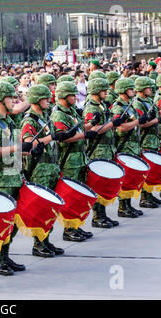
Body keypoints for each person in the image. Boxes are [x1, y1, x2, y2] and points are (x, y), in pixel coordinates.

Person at [21, 84, 71, 257]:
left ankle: (46, 240)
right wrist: (51, 137)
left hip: (51, 167)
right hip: (39, 168)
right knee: (41, 208)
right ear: (35, 100)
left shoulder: (44, 117)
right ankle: (38, 243)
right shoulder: (30, 120)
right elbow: (28, 143)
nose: (48, 101)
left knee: (49, 207)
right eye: (45, 98)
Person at [0, 81, 29, 276]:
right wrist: (16, 149)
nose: (15, 100)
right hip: (1, 176)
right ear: (1, 99)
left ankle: (5, 255)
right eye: (11, 97)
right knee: (1, 220)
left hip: (14, 173)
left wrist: (26, 151)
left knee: (14, 220)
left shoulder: (8, 120)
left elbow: (14, 147)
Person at [50, 81, 98, 241]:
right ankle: (69, 230)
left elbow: (77, 129)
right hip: (69, 161)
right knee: (71, 197)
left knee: (78, 197)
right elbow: (62, 138)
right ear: (64, 96)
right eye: (72, 94)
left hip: (79, 158)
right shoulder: (59, 114)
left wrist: (91, 125)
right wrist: (84, 135)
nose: (76, 97)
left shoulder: (70, 112)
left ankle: (76, 226)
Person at [83, 78, 124, 228]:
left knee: (105, 184)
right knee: (98, 185)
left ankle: (103, 214)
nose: (106, 93)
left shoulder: (101, 106)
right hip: (97, 150)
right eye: (103, 90)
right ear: (96, 91)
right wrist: (113, 123)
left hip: (107, 149)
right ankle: (97, 216)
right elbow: (93, 130)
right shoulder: (91, 108)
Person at [111, 78, 149, 217]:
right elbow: (120, 128)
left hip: (133, 145)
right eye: (131, 89)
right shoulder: (118, 107)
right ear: (123, 90)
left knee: (131, 178)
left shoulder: (130, 104)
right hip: (125, 146)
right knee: (125, 178)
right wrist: (139, 121)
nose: (134, 91)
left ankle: (128, 205)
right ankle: (122, 207)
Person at [133, 76, 161, 208]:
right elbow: (142, 123)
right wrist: (156, 120)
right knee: (146, 171)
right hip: (145, 140)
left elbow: (153, 116)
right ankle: (144, 197)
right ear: (141, 89)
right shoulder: (137, 103)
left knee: (152, 171)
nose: (151, 90)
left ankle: (149, 194)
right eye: (148, 87)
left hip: (153, 140)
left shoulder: (148, 100)